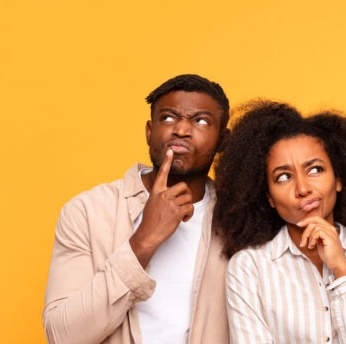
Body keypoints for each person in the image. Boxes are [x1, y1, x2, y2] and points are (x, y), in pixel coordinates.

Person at [44, 74, 231, 344]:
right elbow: (62, 337)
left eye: (201, 120)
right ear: (148, 131)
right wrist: (144, 239)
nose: (181, 129)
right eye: (168, 117)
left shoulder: (240, 219)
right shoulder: (87, 212)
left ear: (222, 140)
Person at [213, 101, 346, 344]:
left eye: (315, 170)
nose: (303, 188)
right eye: (283, 177)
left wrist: (342, 272)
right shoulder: (249, 268)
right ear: (269, 198)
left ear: (337, 179)